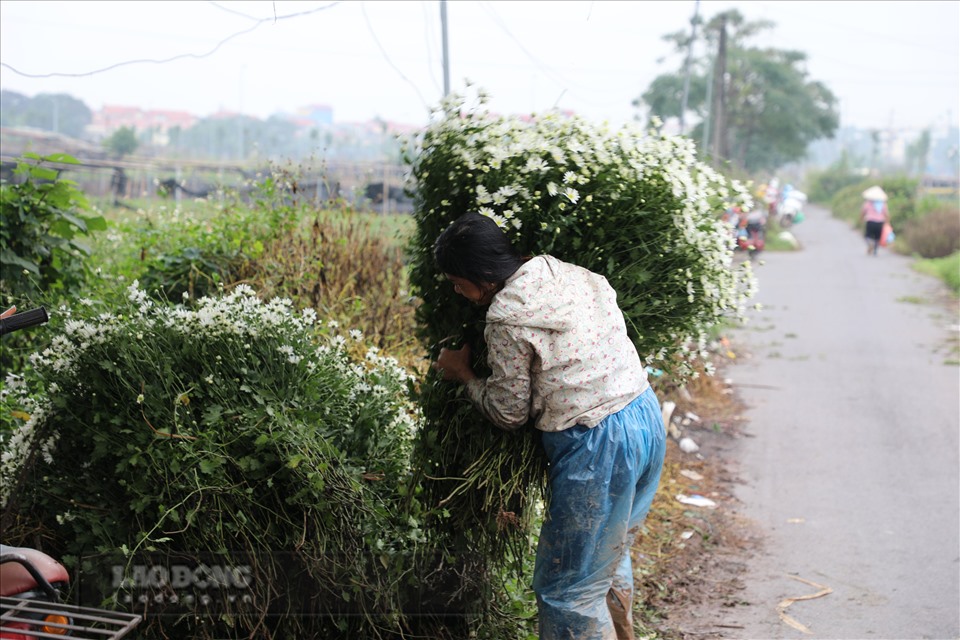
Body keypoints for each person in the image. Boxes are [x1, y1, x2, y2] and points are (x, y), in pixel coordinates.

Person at [431, 212, 666, 640]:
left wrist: (463, 375)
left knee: (568, 591)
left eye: (455, 281)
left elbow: (508, 413)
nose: (455, 290)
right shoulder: (564, 272)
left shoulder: (505, 318)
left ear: (481, 278)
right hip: (644, 415)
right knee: (607, 557)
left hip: (598, 444)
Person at [860, 186, 889, 256]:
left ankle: (870, 244)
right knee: (877, 237)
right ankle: (875, 250)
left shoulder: (868, 203)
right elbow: (887, 214)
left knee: (867, 235)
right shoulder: (883, 204)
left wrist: (861, 219)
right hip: (880, 223)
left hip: (870, 222)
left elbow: (863, 212)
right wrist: (887, 223)